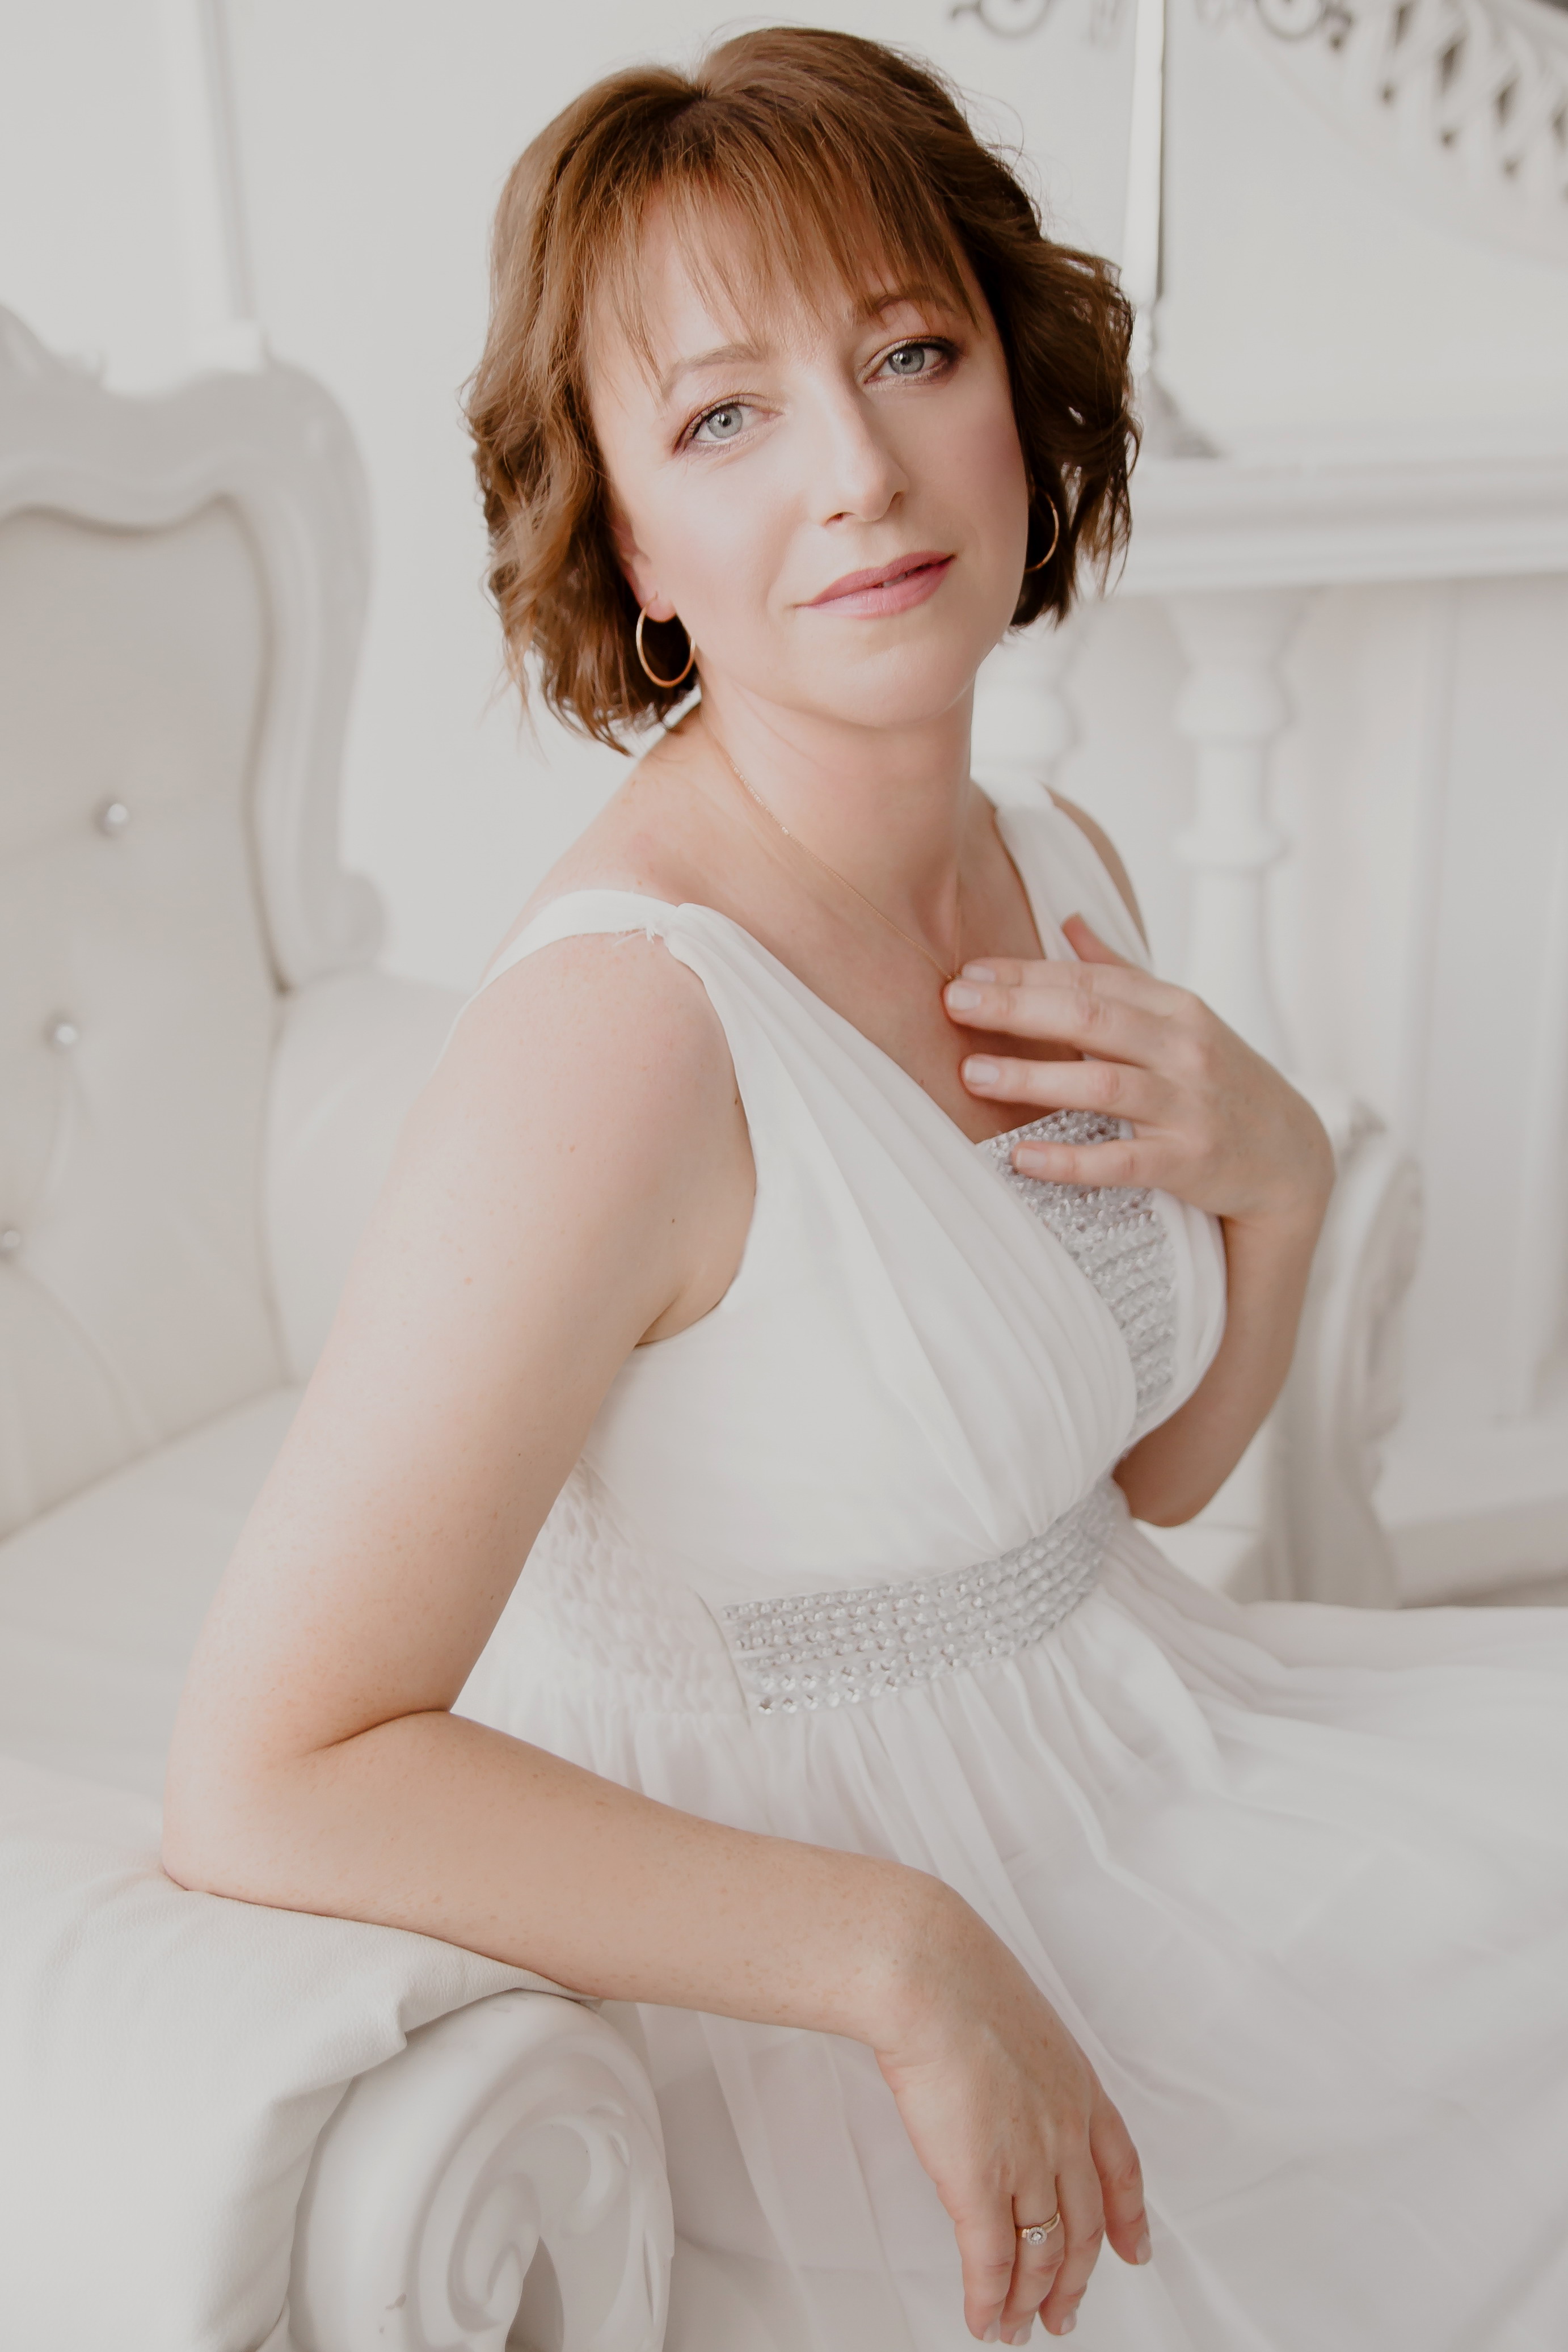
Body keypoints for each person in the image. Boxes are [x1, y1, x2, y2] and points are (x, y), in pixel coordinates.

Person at [163, 27, 1568, 2350]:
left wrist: (1281, 1185)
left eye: (911, 352)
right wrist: (896, 1952)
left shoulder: (1053, 860)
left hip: (1142, 1754)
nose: (859, 471)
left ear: (1017, 392)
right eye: (727, 417)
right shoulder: (625, 1035)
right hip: (817, 1969)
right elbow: (268, 1768)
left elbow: (1128, 1486)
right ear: (630, 543)